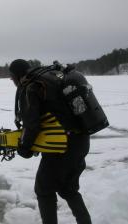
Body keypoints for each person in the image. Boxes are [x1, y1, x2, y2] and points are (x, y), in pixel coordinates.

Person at [9, 59, 92, 224]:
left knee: (44, 190)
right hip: (81, 140)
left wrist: (25, 149)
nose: (11, 81)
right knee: (68, 189)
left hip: (60, 147)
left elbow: (32, 125)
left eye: (11, 77)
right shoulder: (51, 79)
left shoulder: (32, 86)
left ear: (17, 76)